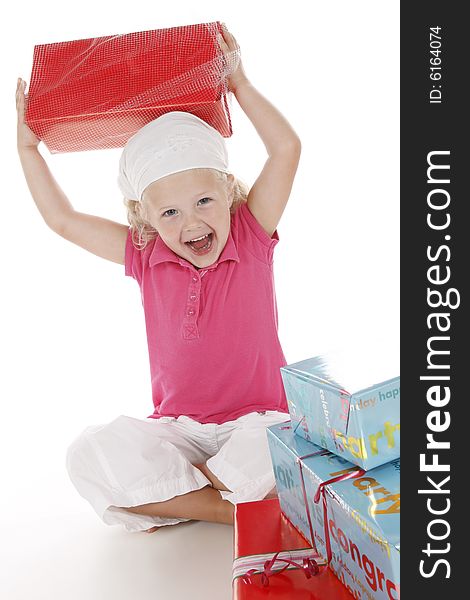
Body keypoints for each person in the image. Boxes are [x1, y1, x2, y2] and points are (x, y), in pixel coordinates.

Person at [16, 24, 301, 533]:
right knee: (89, 453)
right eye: (168, 212)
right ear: (143, 218)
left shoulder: (250, 233)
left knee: (279, 443)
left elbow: (286, 150)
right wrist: (28, 153)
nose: (189, 222)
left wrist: (240, 85)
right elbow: (63, 221)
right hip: (179, 431)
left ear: (229, 193)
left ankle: (187, 496)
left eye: (203, 202)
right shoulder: (145, 254)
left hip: (257, 419)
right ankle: (227, 505)